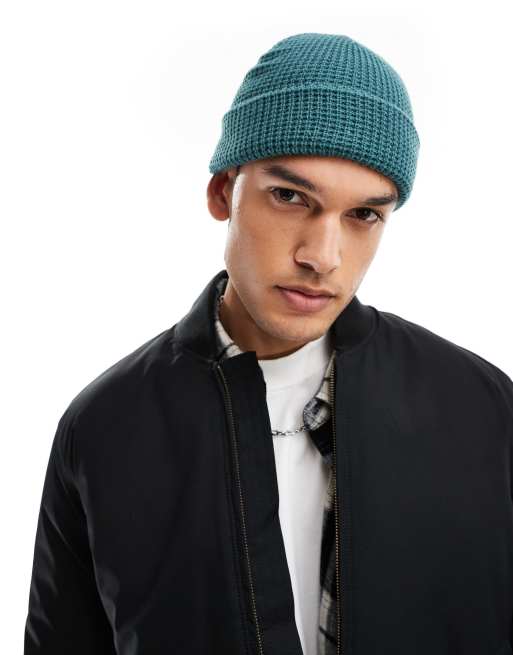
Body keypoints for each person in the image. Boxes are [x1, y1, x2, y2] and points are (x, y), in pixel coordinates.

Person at [24, 32, 513, 655]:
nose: (322, 257)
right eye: (289, 197)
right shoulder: (106, 427)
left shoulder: (482, 409)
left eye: (364, 215)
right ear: (222, 192)